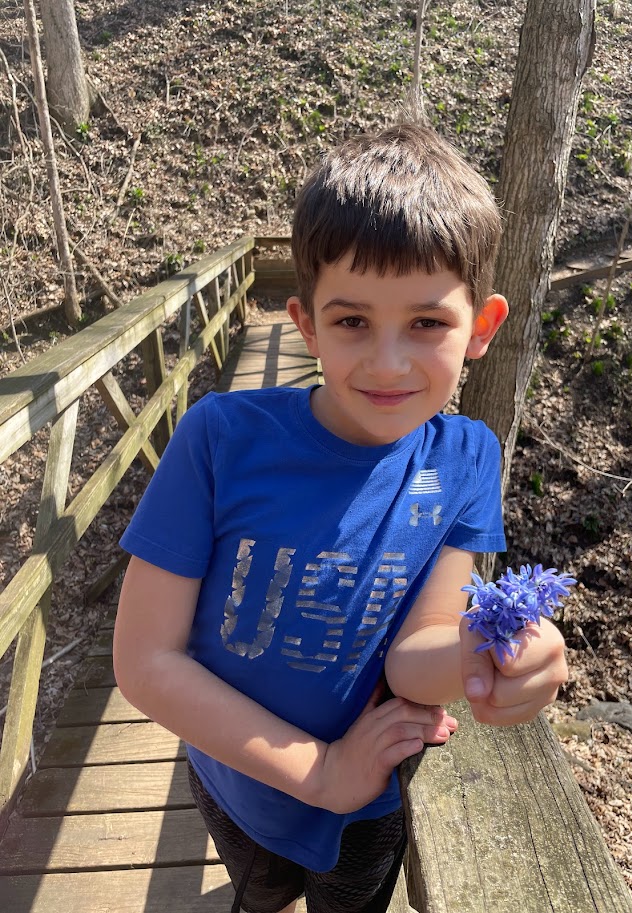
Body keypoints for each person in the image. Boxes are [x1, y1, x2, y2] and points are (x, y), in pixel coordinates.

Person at [114, 122, 568, 913]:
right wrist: (314, 771)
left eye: (426, 323)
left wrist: (492, 653)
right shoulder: (220, 440)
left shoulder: (466, 457)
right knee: (263, 896)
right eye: (352, 320)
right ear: (304, 324)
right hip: (245, 782)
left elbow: (412, 656)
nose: (387, 362)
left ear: (481, 328)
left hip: (370, 801)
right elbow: (146, 661)